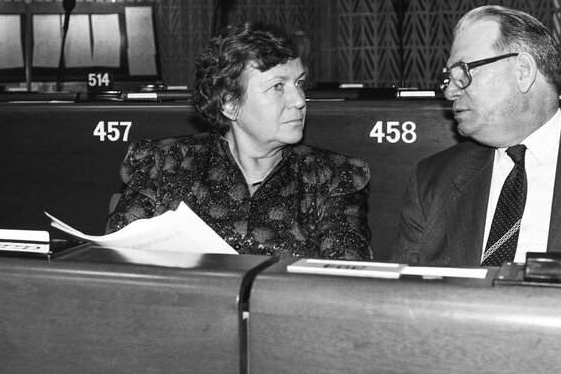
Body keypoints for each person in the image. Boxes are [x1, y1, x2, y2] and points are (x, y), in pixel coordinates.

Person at [391, 5, 561, 266]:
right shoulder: (432, 180)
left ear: (523, 71)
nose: (450, 91)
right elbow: (401, 302)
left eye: (462, 72)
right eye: (448, 79)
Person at [107, 21, 372, 260]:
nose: (299, 101)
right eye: (278, 86)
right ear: (230, 103)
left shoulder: (331, 178)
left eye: (299, 83)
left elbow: (345, 287)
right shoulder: (164, 165)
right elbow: (111, 269)